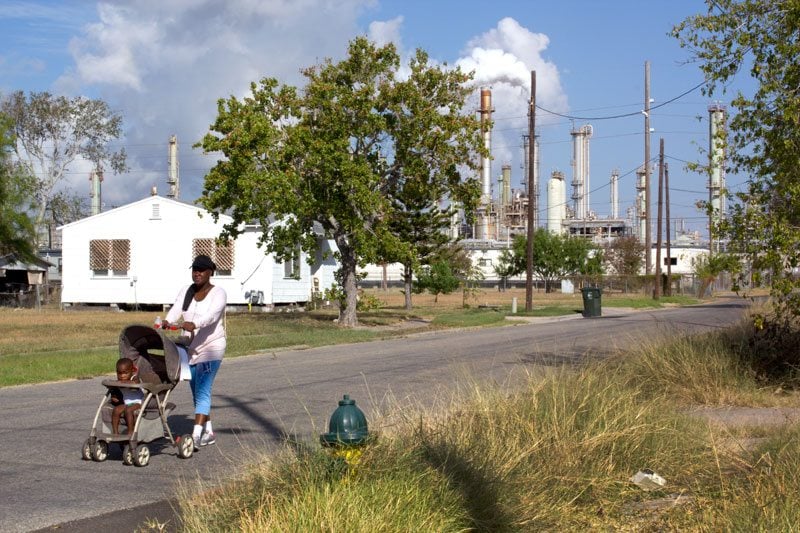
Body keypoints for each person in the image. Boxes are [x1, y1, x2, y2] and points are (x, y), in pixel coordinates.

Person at [162, 254, 227, 449]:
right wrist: (168, 321)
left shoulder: (218, 293)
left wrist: (195, 323)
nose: (197, 273)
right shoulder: (187, 291)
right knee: (196, 391)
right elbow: (176, 310)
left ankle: (196, 436)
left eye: (201, 270)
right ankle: (208, 432)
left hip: (212, 347)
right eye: (194, 269)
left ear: (210, 272)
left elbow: (212, 316)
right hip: (190, 348)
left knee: (203, 390)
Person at [110, 358, 143, 435]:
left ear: (132, 371)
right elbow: (115, 390)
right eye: (119, 373)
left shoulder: (135, 378)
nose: (122, 376)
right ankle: (115, 432)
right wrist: (114, 396)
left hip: (138, 402)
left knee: (128, 410)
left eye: (125, 373)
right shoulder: (119, 381)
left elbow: (136, 383)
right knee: (116, 410)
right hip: (126, 403)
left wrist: (125, 382)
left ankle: (130, 431)